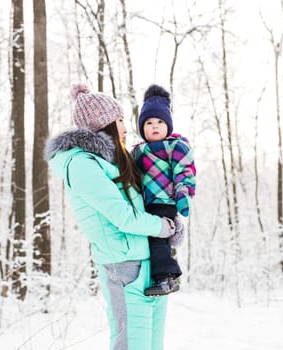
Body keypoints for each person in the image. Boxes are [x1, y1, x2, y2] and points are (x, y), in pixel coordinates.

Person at [45, 83, 176, 350]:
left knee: (152, 344)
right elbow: (122, 216)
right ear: (103, 123)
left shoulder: (113, 160)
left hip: (147, 260)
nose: (126, 128)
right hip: (124, 264)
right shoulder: (82, 164)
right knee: (131, 343)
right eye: (119, 120)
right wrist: (162, 228)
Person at [132, 84, 196, 297]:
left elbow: (184, 171)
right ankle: (158, 275)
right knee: (150, 240)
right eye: (149, 123)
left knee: (157, 239)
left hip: (165, 202)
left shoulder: (176, 146)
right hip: (146, 204)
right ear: (142, 128)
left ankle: (167, 278)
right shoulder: (139, 151)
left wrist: (183, 195)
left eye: (160, 122)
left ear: (168, 125)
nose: (155, 126)